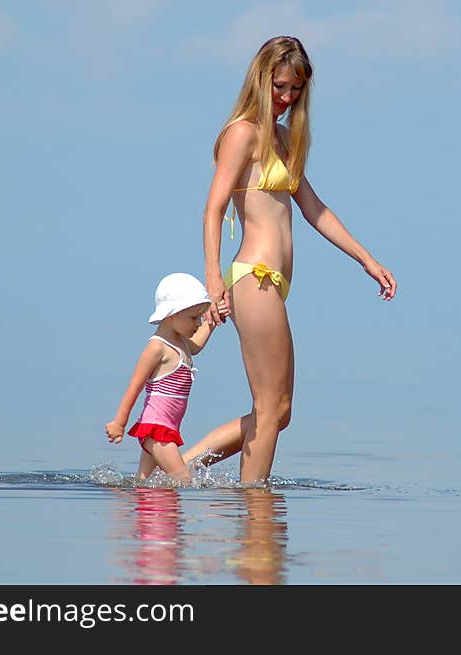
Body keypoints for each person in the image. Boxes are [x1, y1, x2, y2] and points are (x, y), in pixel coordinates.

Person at [181, 35, 397, 484]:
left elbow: (314, 208)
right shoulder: (243, 133)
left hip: (274, 284)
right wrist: (212, 280)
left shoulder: (282, 137)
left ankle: (181, 469)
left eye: (296, 89)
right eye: (280, 86)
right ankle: (255, 512)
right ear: (261, 81)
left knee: (279, 412)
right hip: (253, 278)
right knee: (268, 408)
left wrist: (367, 260)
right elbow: (213, 208)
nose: (287, 97)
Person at [105, 273, 229, 483]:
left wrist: (214, 321)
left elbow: (196, 346)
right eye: (193, 318)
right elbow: (135, 385)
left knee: (143, 484)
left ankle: (142, 513)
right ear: (171, 315)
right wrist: (119, 422)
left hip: (164, 430)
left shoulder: (181, 343)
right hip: (157, 431)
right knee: (184, 481)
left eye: (200, 317)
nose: (198, 323)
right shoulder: (157, 347)